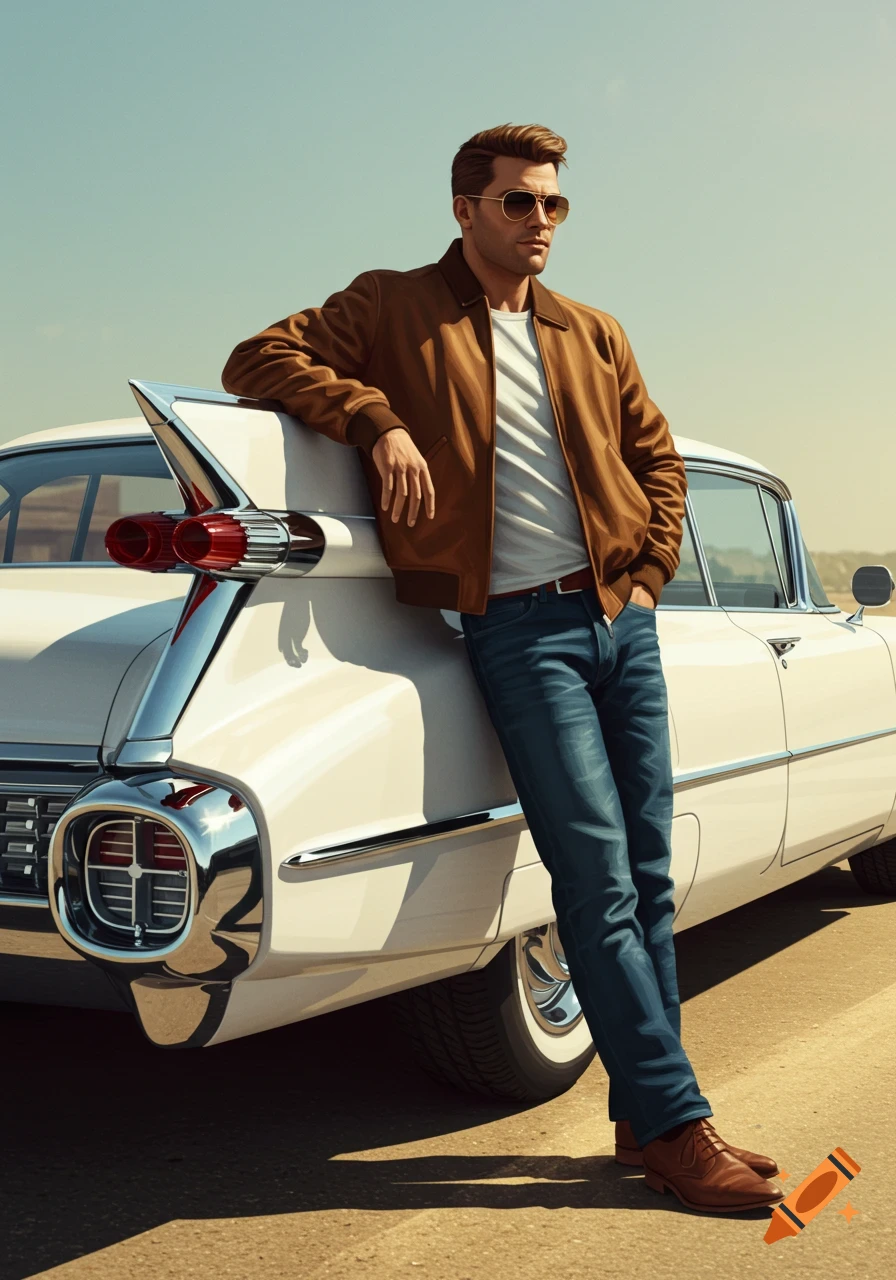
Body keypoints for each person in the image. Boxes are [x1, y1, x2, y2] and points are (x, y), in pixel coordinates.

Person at [221, 122, 785, 1216]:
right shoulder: (390, 305)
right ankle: (676, 1128)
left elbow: (654, 456)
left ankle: (642, 1115)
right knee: (594, 878)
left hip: (618, 621)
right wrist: (375, 417)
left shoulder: (592, 331)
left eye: (553, 204)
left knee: (651, 875)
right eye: (519, 202)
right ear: (464, 209)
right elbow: (259, 358)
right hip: (517, 633)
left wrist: (646, 571)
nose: (540, 223)